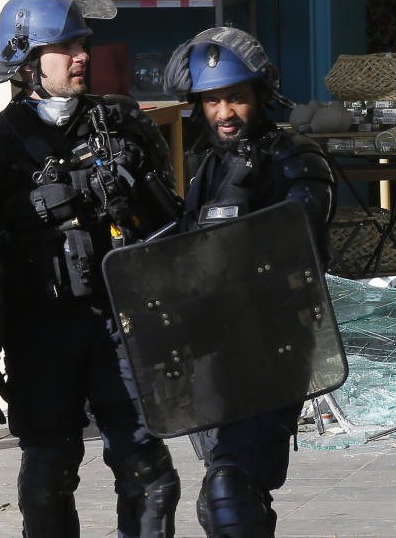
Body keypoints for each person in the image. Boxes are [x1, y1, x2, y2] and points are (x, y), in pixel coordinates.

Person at [0, 0, 183, 536]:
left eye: (83, 44)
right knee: (48, 474)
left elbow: (172, 228)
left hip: (123, 325)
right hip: (41, 331)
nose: (82, 56)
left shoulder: (122, 126)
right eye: (65, 46)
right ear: (25, 60)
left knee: (149, 472)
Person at [163, 26, 336, 537]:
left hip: (271, 348)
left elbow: (296, 240)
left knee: (228, 494)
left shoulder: (295, 159)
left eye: (235, 97)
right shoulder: (207, 169)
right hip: (213, 354)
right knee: (234, 489)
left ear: (260, 96)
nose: (224, 112)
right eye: (212, 100)